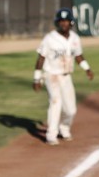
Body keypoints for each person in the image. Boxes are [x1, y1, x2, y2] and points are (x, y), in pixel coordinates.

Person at [33, 8, 94, 146]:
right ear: (57, 23)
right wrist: (36, 78)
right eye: (61, 21)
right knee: (56, 102)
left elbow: (78, 55)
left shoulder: (75, 38)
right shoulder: (50, 38)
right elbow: (40, 58)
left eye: (66, 21)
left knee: (71, 109)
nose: (64, 24)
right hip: (51, 75)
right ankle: (51, 135)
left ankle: (64, 128)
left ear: (71, 22)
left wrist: (87, 68)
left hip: (66, 76)